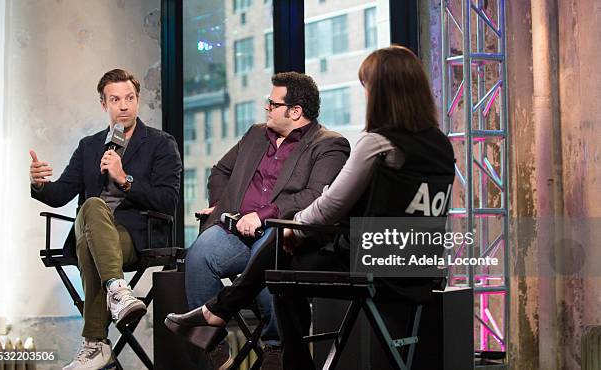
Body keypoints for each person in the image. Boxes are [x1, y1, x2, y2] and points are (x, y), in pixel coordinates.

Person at [166, 45, 455, 370]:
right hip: (419, 265)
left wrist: (292, 227)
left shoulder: (375, 143)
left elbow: (329, 204)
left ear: (384, 93)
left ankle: (237, 326)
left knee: (281, 255)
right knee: (275, 254)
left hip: (373, 264)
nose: (366, 96)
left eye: (367, 88)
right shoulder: (441, 145)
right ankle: (225, 320)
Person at [183, 71, 350, 369]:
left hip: (281, 234)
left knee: (269, 259)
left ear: (295, 111)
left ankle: (275, 349)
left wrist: (261, 217)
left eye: (272, 103)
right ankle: (214, 345)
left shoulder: (329, 145)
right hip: (234, 231)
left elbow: (313, 196)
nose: (266, 108)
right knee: (200, 255)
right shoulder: (255, 134)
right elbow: (220, 171)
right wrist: (221, 205)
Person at [30, 69, 182, 370]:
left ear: (137, 101)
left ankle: (95, 345)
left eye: (130, 98)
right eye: (115, 99)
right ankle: (117, 291)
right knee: (92, 211)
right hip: (94, 235)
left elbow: (167, 202)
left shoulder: (161, 144)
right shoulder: (89, 146)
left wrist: (125, 179)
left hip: (136, 235)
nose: (123, 105)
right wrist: (38, 184)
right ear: (104, 104)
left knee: (90, 219)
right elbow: (61, 193)